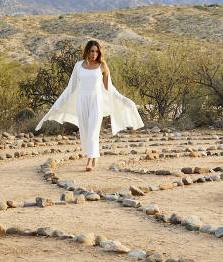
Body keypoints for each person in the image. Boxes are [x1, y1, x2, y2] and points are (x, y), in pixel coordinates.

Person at [35, 39, 143, 170]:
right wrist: (59, 102)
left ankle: (90, 161)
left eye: (96, 51)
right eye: (92, 51)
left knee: (93, 131)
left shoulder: (102, 66)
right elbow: (71, 87)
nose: (94, 54)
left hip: (96, 102)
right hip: (81, 101)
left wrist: (124, 99)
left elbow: (109, 88)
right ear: (87, 51)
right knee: (85, 131)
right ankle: (94, 155)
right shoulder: (79, 66)